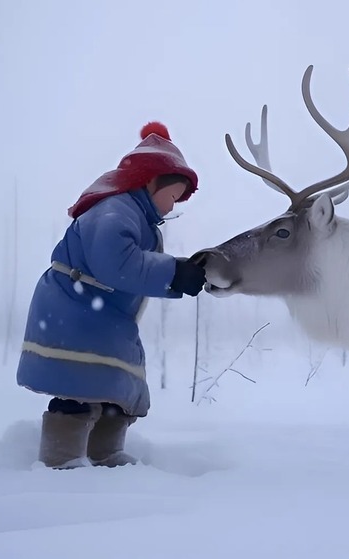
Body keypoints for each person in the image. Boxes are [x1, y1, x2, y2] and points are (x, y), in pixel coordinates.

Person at [16, 121, 207, 469]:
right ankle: (61, 460)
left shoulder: (136, 215)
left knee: (113, 388)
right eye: (172, 196)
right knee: (77, 387)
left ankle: (103, 455)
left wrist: (177, 273)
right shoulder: (115, 209)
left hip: (100, 317)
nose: (172, 206)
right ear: (152, 182)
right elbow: (114, 262)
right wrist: (173, 272)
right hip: (74, 312)